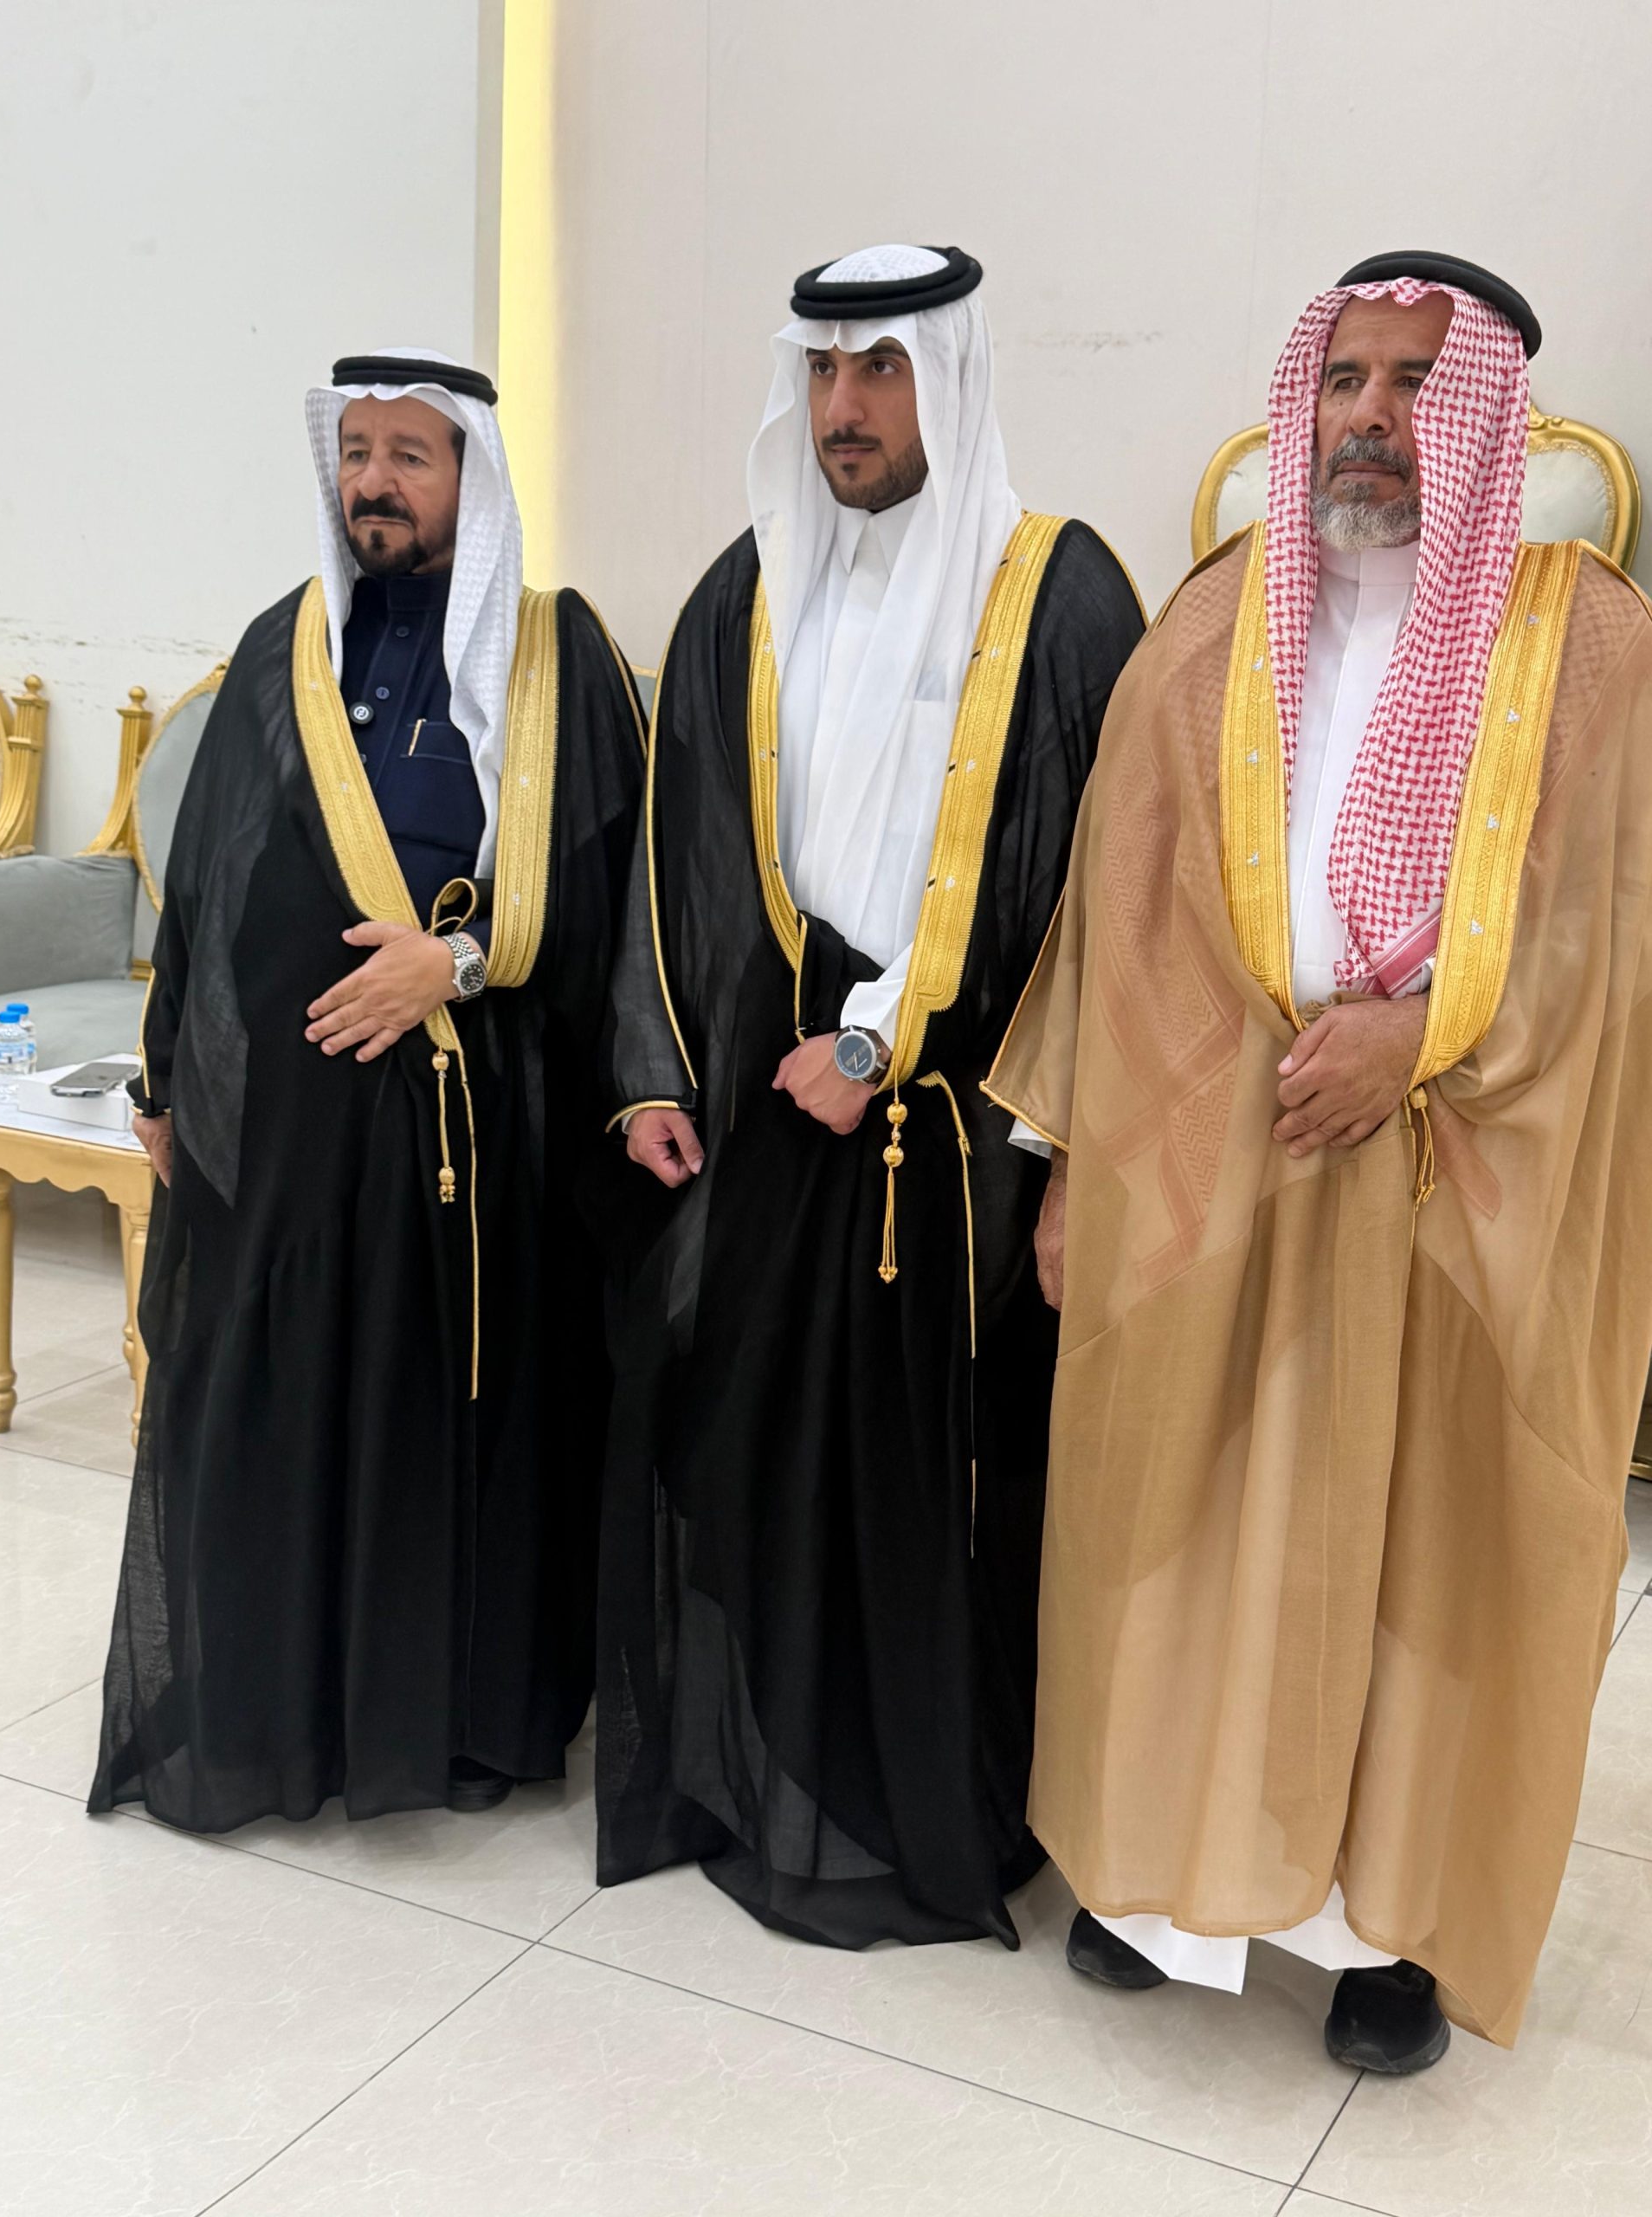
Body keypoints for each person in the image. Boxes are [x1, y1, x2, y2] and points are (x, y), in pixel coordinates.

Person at [987, 252, 1652, 2065]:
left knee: (1417, 1553)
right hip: (1212, 1156)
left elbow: (1611, 935)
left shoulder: (1587, 646)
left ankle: (1386, 1935)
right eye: (1346, 377)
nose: (1371, 415)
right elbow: (1116, 909)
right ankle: (1148, 1880)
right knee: (1175, 1520)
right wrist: (1074, 1164)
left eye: (1417, 383)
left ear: (1493, 413)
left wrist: (1417, 1033)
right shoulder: (1215, 620)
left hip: (1453, 1171)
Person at [597, 244, 1145, 1949]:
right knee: (754, 1425)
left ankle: (933, 1798)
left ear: (949, 379)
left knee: (941, 1468)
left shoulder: (1058, 596)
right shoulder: (750, 588)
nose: (847, 408)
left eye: (884, 371)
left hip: (967, 1124)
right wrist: (655, 1065)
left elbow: (1095, 882)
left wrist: (889, 1039)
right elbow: (682, 842)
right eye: (825, 373)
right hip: (773, 1098)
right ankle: (772, 1755)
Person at [90, 349, 646, 1829]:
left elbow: (612, 896)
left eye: (411, 455)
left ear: (472, 473)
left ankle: (446, 1723)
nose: (376, 483)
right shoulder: (285, 644)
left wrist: (449, 965)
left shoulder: (556, 656)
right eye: (357, 454)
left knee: (439, 1418)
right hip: (289, 1134)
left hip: (474, 1130)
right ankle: (285, 1713)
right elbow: (205, 886)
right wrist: (167, 1078)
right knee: (283, 1409)